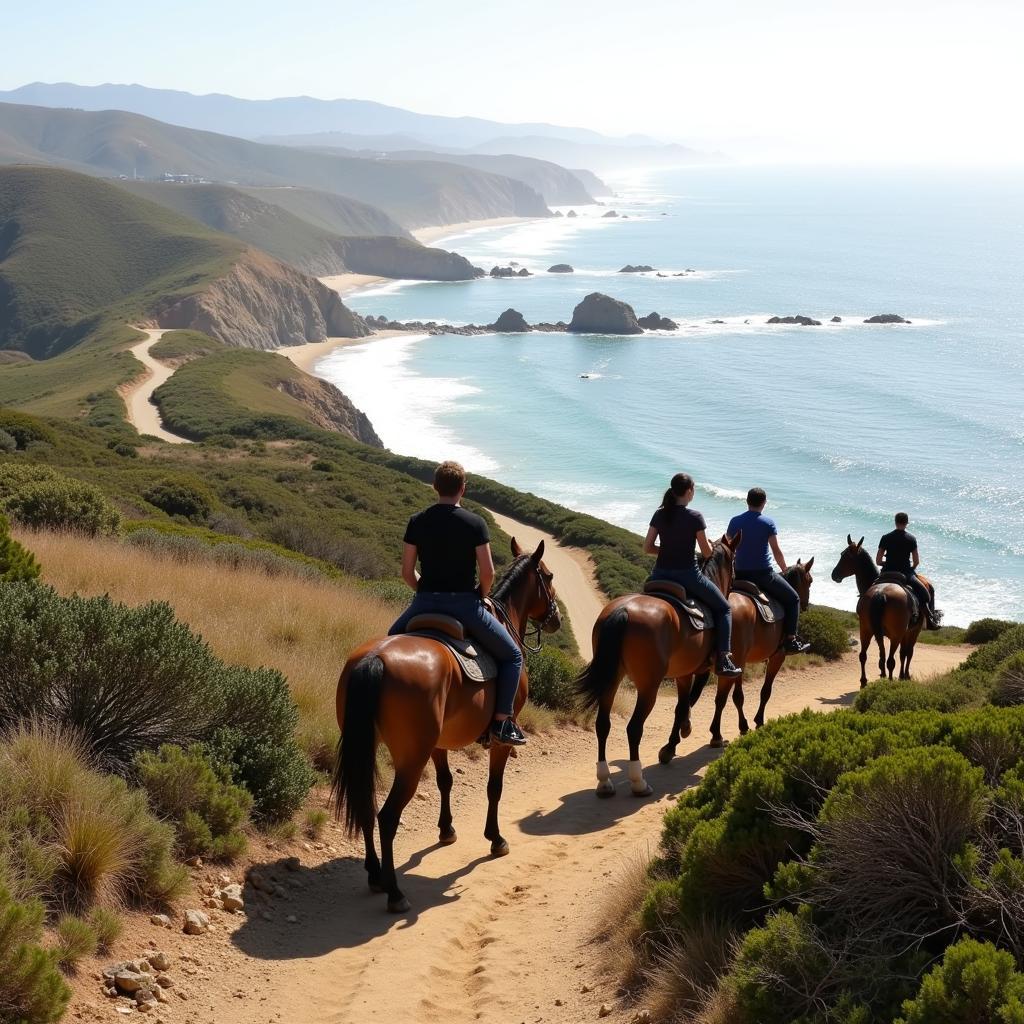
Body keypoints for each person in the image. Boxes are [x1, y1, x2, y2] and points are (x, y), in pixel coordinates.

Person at [389, 460, 527, 746]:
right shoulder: (475, 523)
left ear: (435, 487)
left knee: (390, 642)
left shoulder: (417, 521)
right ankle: (502, 722)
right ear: (463, 489)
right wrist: (482, 593)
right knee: (513, 656)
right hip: (465, 605)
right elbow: (488, 573)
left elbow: (406, 572)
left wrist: (424, 590)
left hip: (424, 603)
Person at [643, 473, 742, 677]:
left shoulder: (659, 514)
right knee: (724, 608)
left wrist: (669, 549)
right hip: (688, 576)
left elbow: (647, 547)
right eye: (694, 489)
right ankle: (724, 658)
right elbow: (706, 553)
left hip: (659, 574)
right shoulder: (695, 517)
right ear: (688, 491)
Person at [727, 488, 811, 654]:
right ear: (764, 503)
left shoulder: (735, 521)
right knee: (793, 599)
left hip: (739, 573)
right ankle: (791, 640)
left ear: (747, 501)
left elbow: (728, 546)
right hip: (763, 575)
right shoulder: (768, 523)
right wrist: (785, 569)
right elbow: (776, 550)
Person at [876, 512, 941, 630]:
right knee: (925, 594)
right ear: (906, 523)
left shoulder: (885, 537)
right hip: (905, 573)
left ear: (895, 522)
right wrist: (912, 568)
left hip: (886, 572)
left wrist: (887, 563)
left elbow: (878, 561)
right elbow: (916, 561)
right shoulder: (911, 539)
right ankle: (930, 620)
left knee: (870, 590)